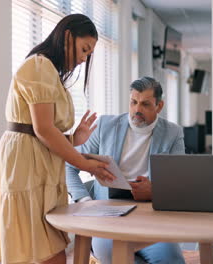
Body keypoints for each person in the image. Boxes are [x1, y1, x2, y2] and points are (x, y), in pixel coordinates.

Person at [0, 14, 115, 264]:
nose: (85, 58)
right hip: (25, 166)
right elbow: (43, 130)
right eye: (84, 49)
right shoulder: (39, 66)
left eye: (89, 53)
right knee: (39, 251)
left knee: (46, 250)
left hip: (36, 162)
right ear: (67, 36)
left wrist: (74, 138)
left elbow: (42, 130)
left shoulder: (47, 70)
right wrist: (84, 164)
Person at [66, 76, 186, 264]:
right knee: (117, 259)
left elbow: (180, 182)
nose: (137, 109)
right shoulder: (105, 126)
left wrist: (156, 190)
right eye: (134, 102)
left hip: (151, 216)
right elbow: (68, 165)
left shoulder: (173, 133)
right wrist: (85, 200)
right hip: (108, 216)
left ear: (159, 106)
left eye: (145, 104)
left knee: (172, 261)